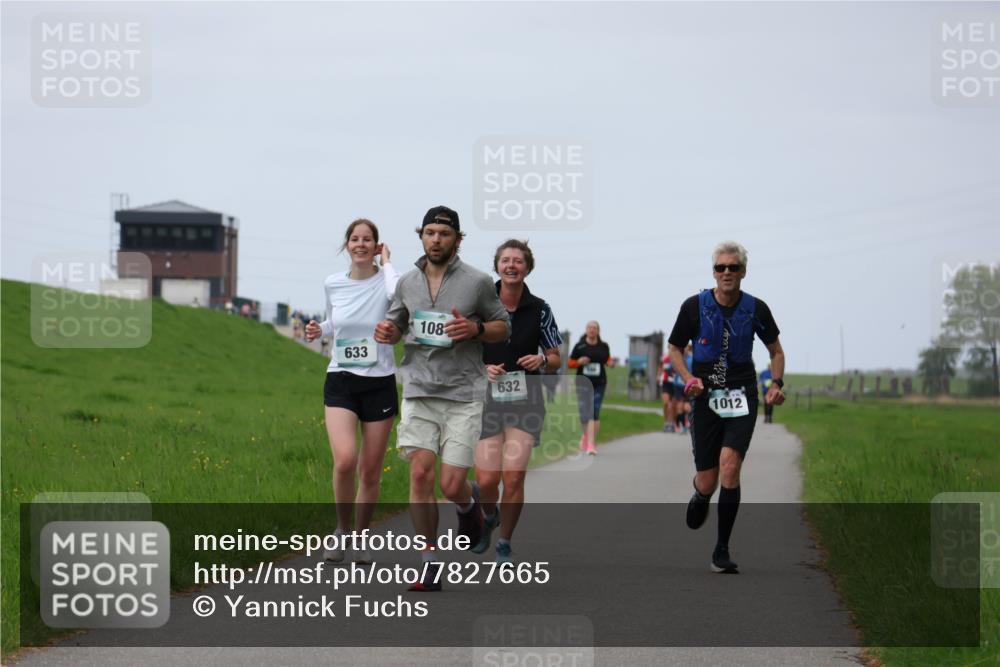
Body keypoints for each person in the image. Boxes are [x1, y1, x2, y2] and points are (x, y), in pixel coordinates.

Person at [374, 205, 510, 591]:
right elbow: (397, 323)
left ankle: (469, 505)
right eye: (430, 233)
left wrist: (476, 329)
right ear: (421, 236)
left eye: (444, 234)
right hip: (420, 387)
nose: (436, 240)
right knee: (420, 474)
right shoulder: (407, 283)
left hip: (464, 392)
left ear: (458, 239)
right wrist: (388, 332)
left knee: (451, 484)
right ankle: (429, 564)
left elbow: (503, 326)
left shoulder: (477, 282)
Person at [668, 241, 785, 574]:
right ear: (713, 272)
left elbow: (776, 351)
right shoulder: (694, 306)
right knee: (709, 479)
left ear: (743, 272)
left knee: (730, 467)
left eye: (733, 267)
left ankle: (721, 549)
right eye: (721, 267)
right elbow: (674, 347)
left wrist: (776, 384)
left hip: (742, 394)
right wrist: (688, 378)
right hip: (706, 395)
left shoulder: (756, 308)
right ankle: (701, 494)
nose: (727, 273)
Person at [305, 219, 399, 565]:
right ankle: (342, 530)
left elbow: (397, 295)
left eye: (367, 240)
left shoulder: (387, 281)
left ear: (377, 246)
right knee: (345, 460)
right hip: (341, 379)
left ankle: (360, 537)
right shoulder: (333, 283)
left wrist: (386, 263)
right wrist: (320, 328)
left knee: (370, 472)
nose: (360, 244)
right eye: (355, 239)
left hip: (380, 381)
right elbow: (336, 321)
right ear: (347, 245)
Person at [474, 240, 563, 563]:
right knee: (487, 480)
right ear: (497, 266)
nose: (511, 265)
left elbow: (556, 357)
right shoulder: (481, 305)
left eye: (518, 261)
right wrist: (483, 368)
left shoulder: (540, 309)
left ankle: (504, 542)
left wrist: (542, 360)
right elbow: (462, 350)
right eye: (506, 260)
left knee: (513, 476)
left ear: (528, 268)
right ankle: (488, 516)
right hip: (486, 400)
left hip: (526, 401)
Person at [568, 321, 611, 456]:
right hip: (583, 383)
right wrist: (579, 362)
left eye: (594, 328)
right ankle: (586, 436)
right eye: (590, 327)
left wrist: (611, 363)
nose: (592, 330)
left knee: (594, 411)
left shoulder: (603, 346)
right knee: (583, 413)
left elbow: (607, 359)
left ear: (598, 331)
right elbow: (570, 363)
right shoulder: (579, 346)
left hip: (599, 383)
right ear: (586, 330)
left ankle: (591, 444)